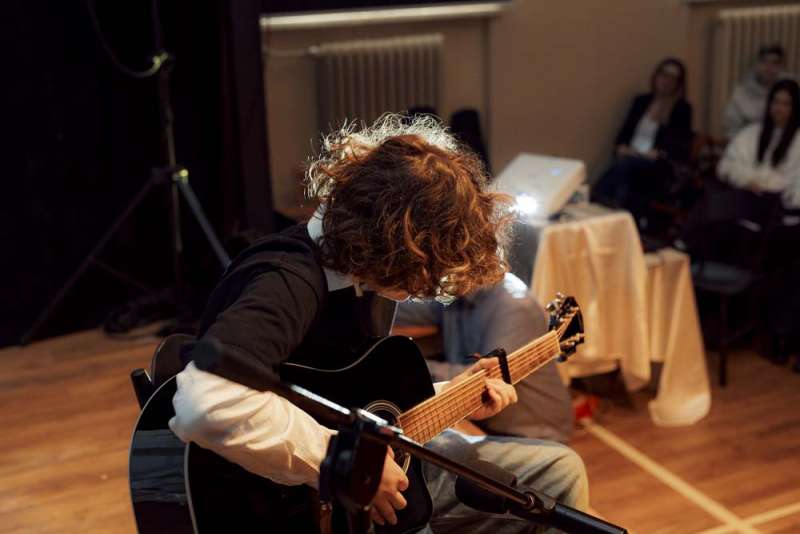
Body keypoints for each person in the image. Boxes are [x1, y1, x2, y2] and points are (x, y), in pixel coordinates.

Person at [168, 114, 589, 532]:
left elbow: (353, 397)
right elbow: (206, 405)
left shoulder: (359, 275)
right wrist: (345, 463)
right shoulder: (287, 281)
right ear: (393, 244)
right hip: (282, 506)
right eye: (424, 271)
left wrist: (455, 395)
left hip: (367, 466)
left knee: (557, 472)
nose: (425, 288)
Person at [394, 272, 574, 444]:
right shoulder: (455, 289)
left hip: (530, 432)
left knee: (420, 438)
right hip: (478, 417)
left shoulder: (515, 305)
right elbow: (408, 310)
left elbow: (482, 380)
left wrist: (406, 369)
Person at [718, 79, 800, 370]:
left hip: (783, 216)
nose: (780, 109)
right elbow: (728, 166)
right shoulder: (752, 134)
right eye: (776, 102)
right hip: (749, 209)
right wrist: (750, 180)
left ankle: (780, 333)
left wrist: (772, 186)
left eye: (786, 104)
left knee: (784, 262)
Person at [592, 58, 693, 230]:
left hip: (656, 164)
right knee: (625, 175)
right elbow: (624, 133)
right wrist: (621, 146)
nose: (666, 80)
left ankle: (597, 201)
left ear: (678, 84)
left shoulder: (681, 108)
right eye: (663, 74)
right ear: (656, 76)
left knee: (626, 168)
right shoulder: (641, 101)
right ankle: (611, 219)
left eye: (672, 77)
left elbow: (679, 144)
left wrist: (658, 152)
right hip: (631, 157)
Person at [723, 45, 793, 141]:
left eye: (775, 63)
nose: (769, 68)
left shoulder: (791, 91)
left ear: (782, 67)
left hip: (785, 143)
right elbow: (731, 128)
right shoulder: (741, 93)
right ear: (757, 64)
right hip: (748, 143)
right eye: (765, 62)